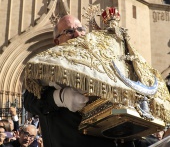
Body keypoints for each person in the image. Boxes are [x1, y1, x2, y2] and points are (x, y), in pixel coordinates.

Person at [24, 15, 153, 147]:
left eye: (80, 28)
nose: (77, 33)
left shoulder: (101, 64)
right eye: (69, 31)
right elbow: (29, 102)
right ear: (57, 41)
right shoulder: (45, 63)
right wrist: (60, 98)